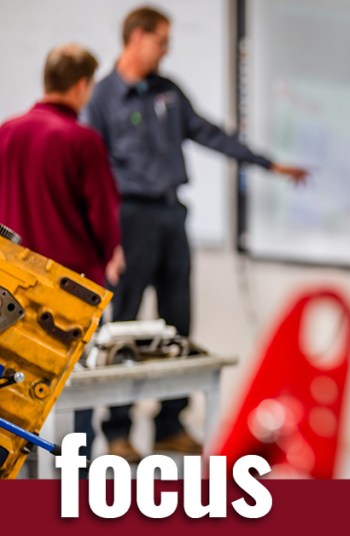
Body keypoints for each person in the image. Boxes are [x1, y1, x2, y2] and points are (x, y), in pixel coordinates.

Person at [82, 6, 308, 462]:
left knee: (177, 322)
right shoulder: (103, 99)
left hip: (171, 216)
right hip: (129, 219)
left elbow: (208, 134)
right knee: (123, 327)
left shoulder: (168, 91)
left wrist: (266, 163)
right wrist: (108, 241)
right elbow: (92, 173)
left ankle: (169, 424)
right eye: (162, 40)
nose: (167, 49)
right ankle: (119, 430)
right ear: (138, 37)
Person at [0, 44, 124, 457]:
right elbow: (104, 217)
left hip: (11, 288)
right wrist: (112, 253)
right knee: (77, 397)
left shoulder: (7, 131)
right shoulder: (82, 140)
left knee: (12, 392)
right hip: (72, 294)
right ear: (81, 86)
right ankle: (76, 483)